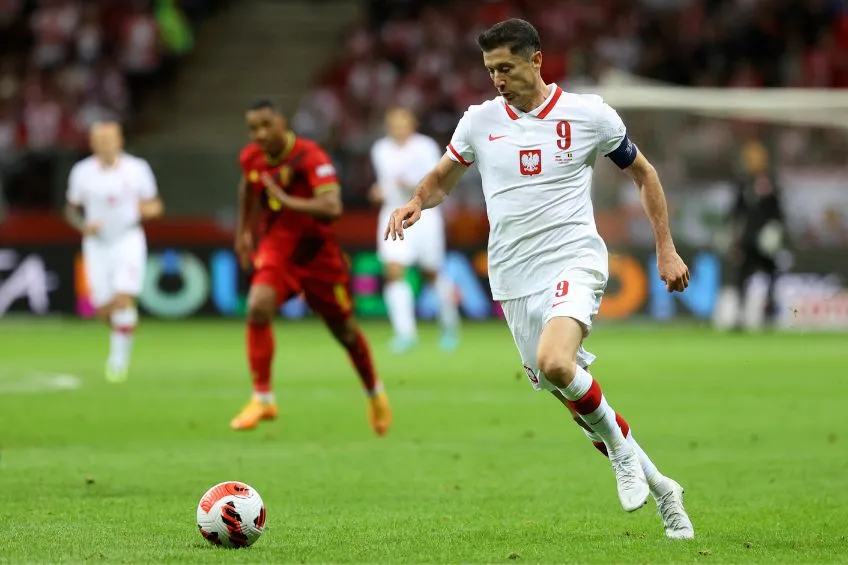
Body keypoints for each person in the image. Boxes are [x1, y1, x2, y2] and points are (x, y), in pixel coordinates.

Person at [385, 19, 694, 539]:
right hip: (512, 278)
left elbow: (645, 173)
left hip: (574, 258)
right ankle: (664, 488)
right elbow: (443, 178)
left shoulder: (589, 114)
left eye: (505, 67)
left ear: (536, 60)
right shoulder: (480, 122)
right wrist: (417, 200)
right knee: (574, 399)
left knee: (557, 362)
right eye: (489, 70)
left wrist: (666, 248)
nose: (497, 79)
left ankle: (621, 455)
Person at [232, 99, 391, 436]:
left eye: (265, 125)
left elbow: (332, 207)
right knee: (257, 307)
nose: (259, 134)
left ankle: (374, 391)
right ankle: (262, 397)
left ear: (283, 123)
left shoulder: (310, 156)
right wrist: (244, 231)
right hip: (278, 247)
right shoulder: (251, 158)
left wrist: (285, 200)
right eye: (253, 128)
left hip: (318, 255)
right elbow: (247, 186)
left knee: (344, 331)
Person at [65, 121, 164, 383]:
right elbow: (71, 209)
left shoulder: (137, 169)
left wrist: (142, 211)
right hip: (97, 244)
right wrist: (83, 226)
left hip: (128, 238)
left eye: (110, 138)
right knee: (103, 310)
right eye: (99, 139)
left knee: (123, 298)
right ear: (92, 143)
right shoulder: (81, 172)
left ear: (120, 140)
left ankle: (117, 362)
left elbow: (155, 205)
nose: (105, 143)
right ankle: (125, 326)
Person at [370, 107, 461, 353]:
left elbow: (435, 181)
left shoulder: (425, 147)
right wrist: (379, 191)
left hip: (424, 216)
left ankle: (449, 326)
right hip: (392, 214)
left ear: (413, 124)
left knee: (431, 274)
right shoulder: (380, 150)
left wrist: (409, 184)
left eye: (403, 122)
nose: (398, 127)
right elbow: (386, 184)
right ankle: (405, 334)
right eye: (393, 123)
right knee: (393, 271)